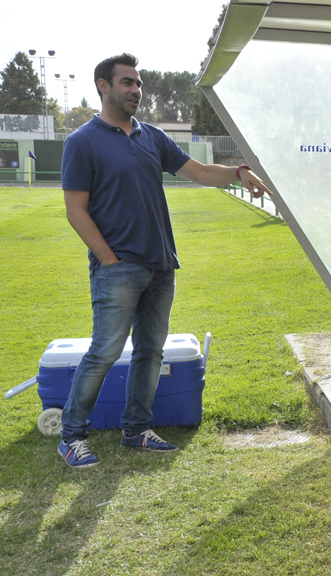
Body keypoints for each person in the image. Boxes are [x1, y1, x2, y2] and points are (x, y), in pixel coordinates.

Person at [58, 53, 272, 468]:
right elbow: (75, 211)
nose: (136, 90)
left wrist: (237, 172)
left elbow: (199, 172)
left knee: (151, 351)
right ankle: (70, 436)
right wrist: (109, 259)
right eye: (127, 83)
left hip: (161, 265)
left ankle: (135, 430)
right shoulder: (81, 142)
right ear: (103, 86)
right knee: (104, 350)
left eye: (138, 84)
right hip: (117, 268)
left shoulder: (152, 136)